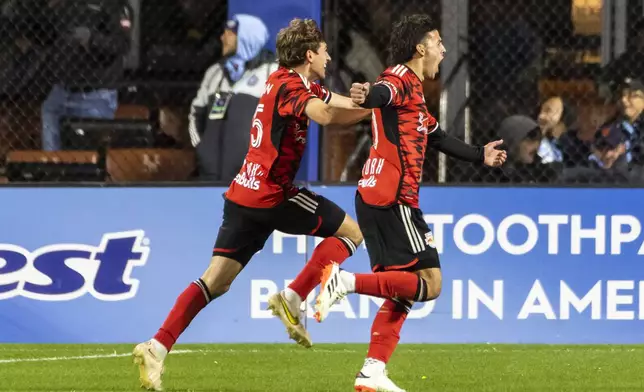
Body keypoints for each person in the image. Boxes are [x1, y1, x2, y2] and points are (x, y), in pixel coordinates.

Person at [132, 18, 371, 391]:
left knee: (215, 281)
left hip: (243, 193)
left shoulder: (283, 79)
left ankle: (156, 346)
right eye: (324, 50)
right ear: (310, 54)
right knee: (352, 232)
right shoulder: (294, 87)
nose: (328, 56)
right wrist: (375, 111)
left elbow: (329, 101)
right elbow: (325, 116)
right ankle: (293, 297)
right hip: (272, 194)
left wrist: (366, 103)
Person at [313, 14, 507, 392]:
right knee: (430, 283)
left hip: (375, 197)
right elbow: (380, 93)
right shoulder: (400, 79)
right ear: (421, 48)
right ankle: (344, 281)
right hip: (393, 198)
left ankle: (372, 371)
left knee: (404, 288)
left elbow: (437, 136)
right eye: (437, 41)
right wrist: (364, 95)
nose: (444, 48)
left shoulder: (414, 95)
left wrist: (479, 154)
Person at [189, 14, 279, 182]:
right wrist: (203, 148)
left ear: (246, 37)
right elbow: (196, 113)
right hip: (209, 177)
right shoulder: (214, 72)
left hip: (251, 179)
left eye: (229, 34)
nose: (222, 38)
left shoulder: (273, 73)